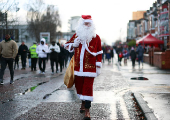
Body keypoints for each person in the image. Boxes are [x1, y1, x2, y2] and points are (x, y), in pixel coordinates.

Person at [64, 15, 103, 120]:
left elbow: (99, 52)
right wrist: (74, 44)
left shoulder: (96, 37)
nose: (87, 25)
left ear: (91, 24)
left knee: (88, 88)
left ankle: (87, 111)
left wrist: (98, 65)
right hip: (78, 68)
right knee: (80, 88)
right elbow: (67, 45)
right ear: (81, 24)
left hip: (90, 69)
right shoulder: (77, 35)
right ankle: (82, 103)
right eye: (85, 23)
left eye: (88, 23)